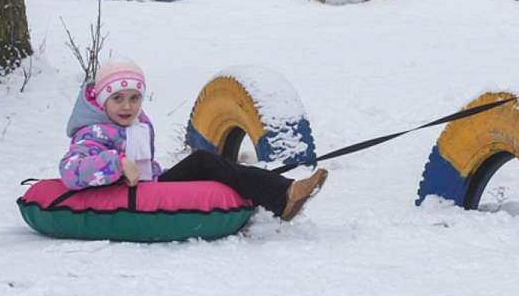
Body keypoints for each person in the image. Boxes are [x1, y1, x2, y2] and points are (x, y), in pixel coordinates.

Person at [59, 60, 328, 221]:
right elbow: (71, 171)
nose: (127, 106)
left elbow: (144, 168)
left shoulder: (137, 124)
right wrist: (116, 164)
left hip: (149, 188)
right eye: (117, 98)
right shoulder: (93, 132)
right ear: (104, 100)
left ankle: (281, 192)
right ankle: (283, 195)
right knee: (203, 161)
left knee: (211, 167)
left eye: (134, 98)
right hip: (127, 199)